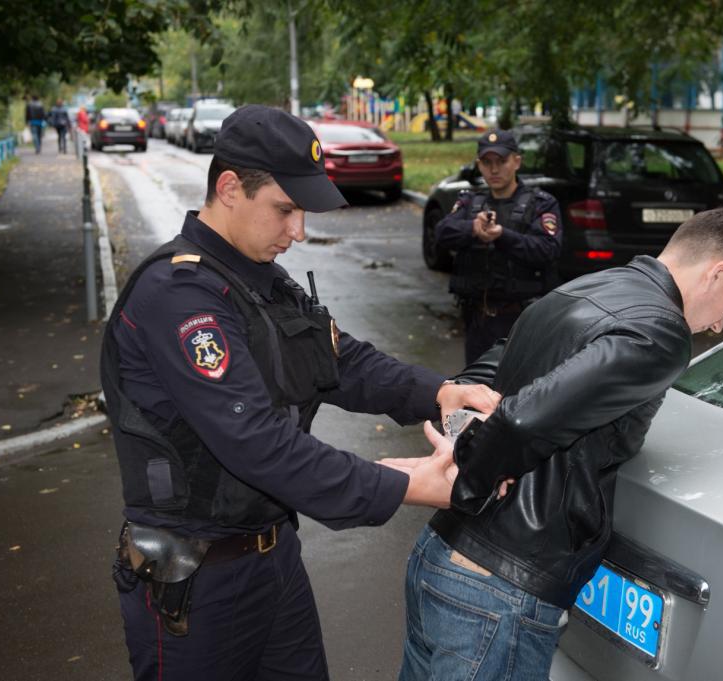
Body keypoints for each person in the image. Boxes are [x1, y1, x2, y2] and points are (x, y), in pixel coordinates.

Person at [100, 105, 500, 681]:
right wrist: (410, 484)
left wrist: (440, 392)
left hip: (274, 562)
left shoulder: (258, 276)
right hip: (194, 585)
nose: (298, 232)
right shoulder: (179, 294)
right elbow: (257, 444)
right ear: (230, 188)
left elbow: (339, 359)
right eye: (285, 210)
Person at [390, 208, 723, 681]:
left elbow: (479, 378)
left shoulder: (591, 283)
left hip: (440, 556)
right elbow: (523, 420)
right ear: (719, 272)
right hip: (501, 589)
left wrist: (463, 447)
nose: (718, 327)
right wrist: (466, 484)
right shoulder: (662, 331)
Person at [435, 130, 562, 364]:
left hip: (523, 319)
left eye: (501, 161)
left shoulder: (541, 203)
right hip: (478, 320)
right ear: (478, 165)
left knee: (521, 390)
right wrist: (472, 228)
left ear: (516, 161)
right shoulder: (470, 201)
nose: (494, 170)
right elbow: (442, 233)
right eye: (487, 162)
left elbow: (548, 250)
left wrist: (503, 236)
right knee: (477, 387)